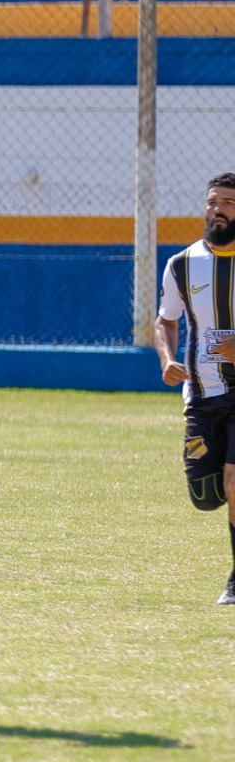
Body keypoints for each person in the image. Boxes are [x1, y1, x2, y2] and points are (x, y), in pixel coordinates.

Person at [154, 171, 235, 606]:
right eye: (211, 202)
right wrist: (167, 359)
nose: (216, 209)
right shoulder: (181, 264)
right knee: (206, 497)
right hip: (203, 397)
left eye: (226, 202)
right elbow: (165, 320)